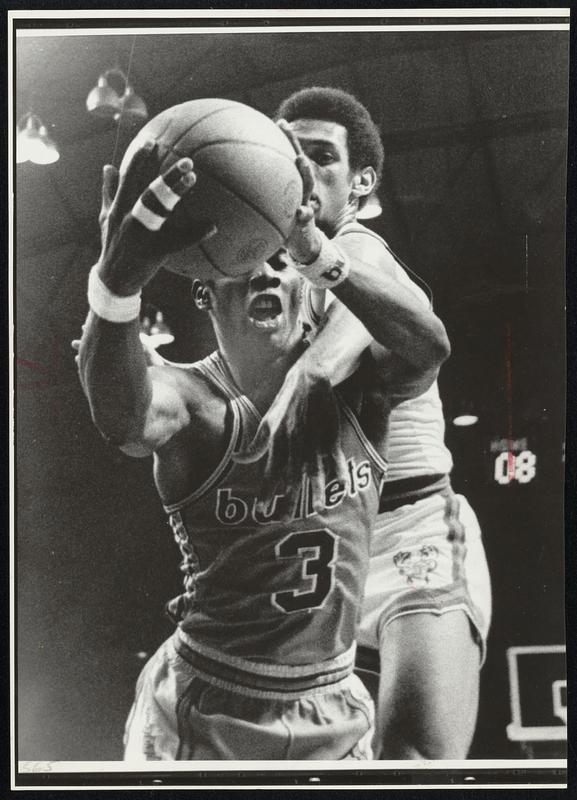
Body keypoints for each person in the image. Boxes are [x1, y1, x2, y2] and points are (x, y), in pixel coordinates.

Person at [76, 125, 450, 760]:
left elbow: (430, 346)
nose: (268, 273)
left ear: (307, 284)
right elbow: (123, 419)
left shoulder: (354, 386)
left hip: (333, 698)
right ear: (206, 287)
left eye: (281, 261)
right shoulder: (193, 402)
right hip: (210, 701)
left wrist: (319, 252)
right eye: (248, 264)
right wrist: (116, 283)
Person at [239, 87, 492, 760]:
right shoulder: (250, 275)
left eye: (321, 156)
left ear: (361, 181)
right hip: (314, 553)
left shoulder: (359, 251)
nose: (303, 172)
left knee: (411, 763)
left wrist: (306, 370)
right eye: (287, 157)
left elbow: (330, 355)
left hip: (409, 533)